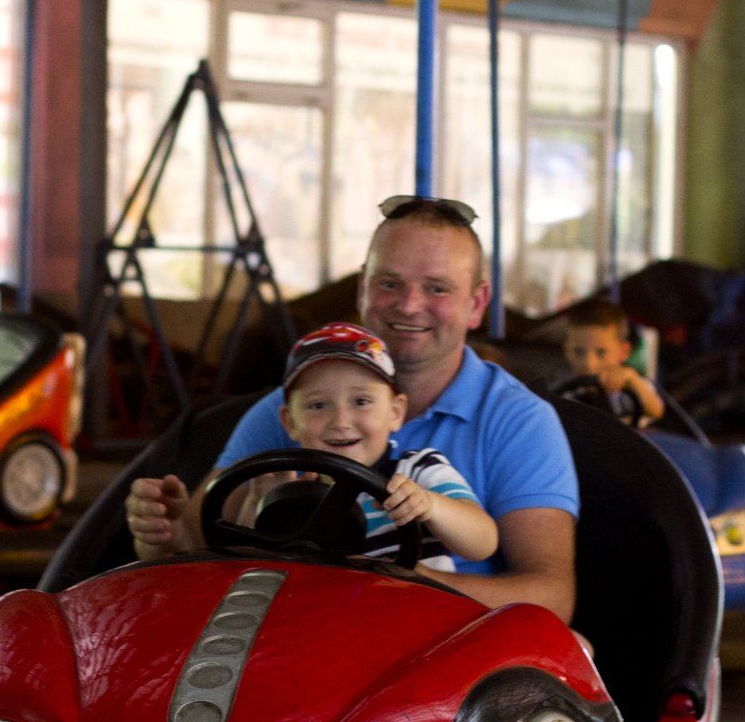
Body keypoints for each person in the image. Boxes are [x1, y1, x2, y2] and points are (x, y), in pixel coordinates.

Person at [125, 196, 579, 621]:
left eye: (437, 288)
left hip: (440, 648)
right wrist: (166, 530)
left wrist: (408, 583)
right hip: (301, 629)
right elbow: (205, 543)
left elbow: (551, 596)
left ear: (476, 303)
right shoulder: (289, 411)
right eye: (389, 283)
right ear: (363, 288)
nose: (409, 305)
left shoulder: (518, 423)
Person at [132, 321, 499, 571]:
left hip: (413, 626)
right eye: (318, 405)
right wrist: (250, 505)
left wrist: (431, 506)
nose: (341, 421)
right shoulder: (277, 483)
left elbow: (482, 542)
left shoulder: (417, 471)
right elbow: (236, 565)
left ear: (396, 412)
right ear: (289, 423)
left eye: (361, 402)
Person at [562, 300, 665, 427]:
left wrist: (632, 380)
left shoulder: (628, 384)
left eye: (601, 353)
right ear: (566, 349)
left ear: (624, 351)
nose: (589, 363)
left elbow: (656, 411)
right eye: (578, 352)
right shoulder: (565, 391)